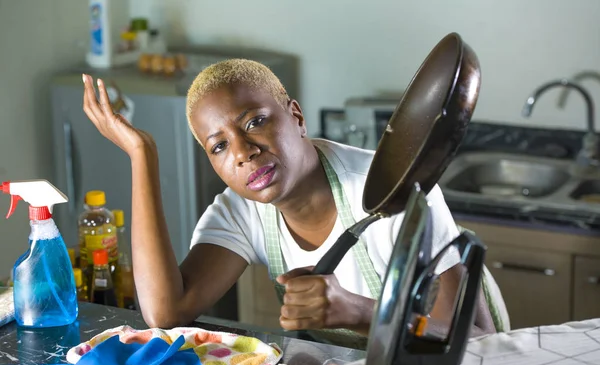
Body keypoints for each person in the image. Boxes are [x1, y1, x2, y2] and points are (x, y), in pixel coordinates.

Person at [80, 58, 495, 344]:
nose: (243, 151)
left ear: (296, 116)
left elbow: (479, 340)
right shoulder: (241, 210)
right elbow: (166, 313)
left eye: (255, 122)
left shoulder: (393, 190)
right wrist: (142, 155)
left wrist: (360, 312)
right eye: (219, 146)